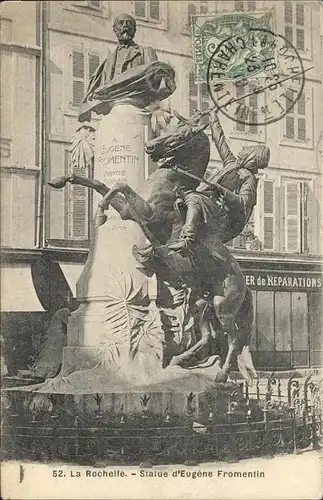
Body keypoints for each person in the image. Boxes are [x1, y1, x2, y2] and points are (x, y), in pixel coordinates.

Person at [168, 109, 270, 258]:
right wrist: (213, 116)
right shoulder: (231, 163)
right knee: (177, 199)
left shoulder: (248, 178)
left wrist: (221, 190)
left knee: (194, 198)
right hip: (212, 206)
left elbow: (242, 202)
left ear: (252, 157)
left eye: (248, 150)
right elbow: (220, 140)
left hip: (221, 216)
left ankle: (187, 240)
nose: (243, 149)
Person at [79, 13, 158, 122]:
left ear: (134, 30)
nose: (125, 26)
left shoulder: (145, 51)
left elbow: (155, 80)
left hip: (136, 107)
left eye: (129, 23)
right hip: (113, 111)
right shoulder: (109, 60)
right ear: (115, 30)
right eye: (121, 23)